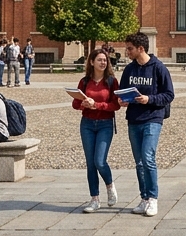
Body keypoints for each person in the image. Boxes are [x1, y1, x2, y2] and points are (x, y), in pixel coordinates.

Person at [118, 31, 175, 216]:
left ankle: (153, 198)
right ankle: (143, 199)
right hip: (133, 118)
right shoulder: (129, 70)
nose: (127, 52)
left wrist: (149, 98)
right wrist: (123, 100)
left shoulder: (158, 68)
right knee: (139, 162)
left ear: (140, 48)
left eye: (130, 49)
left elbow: (169, 94)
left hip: (153, 118)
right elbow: (123, 90)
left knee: (148, 157)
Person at [73, 49, 122, 212]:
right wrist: (83, 104)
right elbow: (75, 104)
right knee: (90, 163)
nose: (103, 63)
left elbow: (116, 105)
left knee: (99, 161)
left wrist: (97, 105)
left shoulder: (111, 82)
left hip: (105, 124)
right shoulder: (84, 81)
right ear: (92, 62)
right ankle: (94, 199)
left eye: (105, 60)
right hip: (87, 124)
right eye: (100, 60)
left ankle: (109, 185)